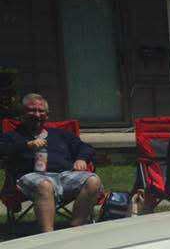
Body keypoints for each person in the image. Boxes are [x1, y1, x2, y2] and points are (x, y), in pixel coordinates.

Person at [0, 93, 101, 233]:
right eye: (32, 110)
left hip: (64, 175)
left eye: (41, 111)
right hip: (30, 176)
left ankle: (76, 229)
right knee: (44, 185)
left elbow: (86, 148)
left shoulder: (60, 134)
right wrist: (27, 145)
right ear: (22, 114)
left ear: (47, 115)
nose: (37, 115)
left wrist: (81, 158)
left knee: (93, 181)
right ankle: (48, 236)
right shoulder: (12, 136)